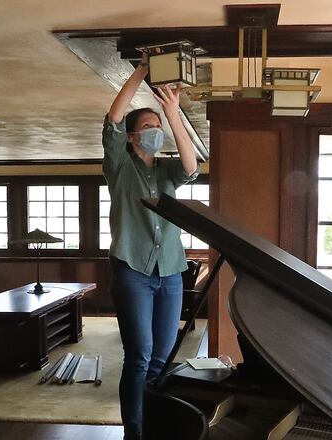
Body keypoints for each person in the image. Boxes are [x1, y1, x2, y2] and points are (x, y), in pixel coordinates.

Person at [102, 52, 198, 440]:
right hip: (132, 271)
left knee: (162, 359)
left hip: (172, 272)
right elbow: (112, 119)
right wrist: (141, 71)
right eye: (148, 125)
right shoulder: (120, 166)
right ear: (132, 135)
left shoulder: (168, 171)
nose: (155, 131)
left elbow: (192, 166)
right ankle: (135, 433)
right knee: (139, 357)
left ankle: (157, 430)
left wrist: (171, 111)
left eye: (158, 126)